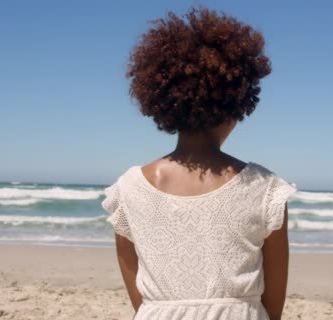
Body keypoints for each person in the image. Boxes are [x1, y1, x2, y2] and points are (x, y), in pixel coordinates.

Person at [101, 5, 297, 320]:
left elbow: (136, 287)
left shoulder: (129, 188)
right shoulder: (265, 189)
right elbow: (273, 302)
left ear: (162, 101)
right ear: (237, 103)